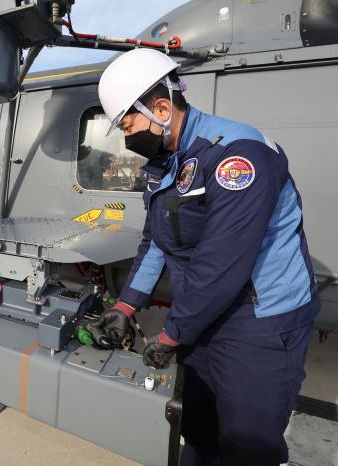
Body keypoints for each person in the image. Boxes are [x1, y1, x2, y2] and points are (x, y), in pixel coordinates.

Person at [96, 49, 319, 466]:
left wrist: (170, 336)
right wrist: (127, 304)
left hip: (259, 321)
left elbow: (222, 265)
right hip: (202, 315)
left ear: (161, 107)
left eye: (129, 125)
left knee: (248, 444)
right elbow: (156, 241)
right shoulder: (167, 164)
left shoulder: (238, 155)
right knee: (196, 429)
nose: (127, 138)